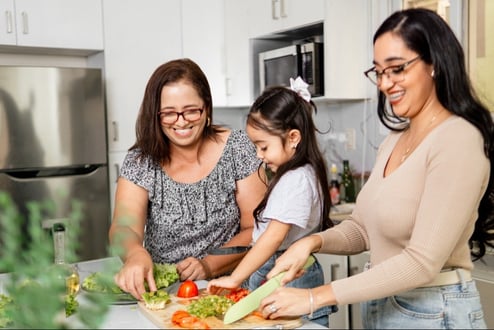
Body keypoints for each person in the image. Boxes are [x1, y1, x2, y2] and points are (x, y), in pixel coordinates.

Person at [258, 8, 494, 329]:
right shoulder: (395, 139)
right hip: (385, 308)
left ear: (435, 64)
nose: (384, 83)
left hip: (434, 313)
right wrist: (312, 243)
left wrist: (315, 296)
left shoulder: (458, 139)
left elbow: (421, 263)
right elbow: (363, 229)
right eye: (379, 72)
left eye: (397, 69)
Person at [109, 58, 267, 300]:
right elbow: (124, 227)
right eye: (169, 113)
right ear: (155, 115)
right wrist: (134, 255)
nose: (181, 121)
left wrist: (208, 265)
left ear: (207, 109)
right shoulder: (140, 160)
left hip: (228, 289)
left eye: (191, 110)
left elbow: (256, 227)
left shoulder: (238, 147)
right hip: (161, 293)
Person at [207, 77, 335, 327]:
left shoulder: (296, 179)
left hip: (289, 278)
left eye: (263, 147)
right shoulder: (297, 173)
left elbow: (274, 237)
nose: (259, 155)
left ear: (293, 137)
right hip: (280, 273)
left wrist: (235, 278)